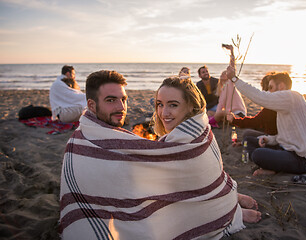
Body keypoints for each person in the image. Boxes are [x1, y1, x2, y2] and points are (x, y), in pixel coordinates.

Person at [59, 71, 260, 240]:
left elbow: (188, 173)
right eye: (111, 100)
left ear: (190, 105)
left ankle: (223, 198)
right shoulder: (79, 146)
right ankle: (223, 203)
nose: (121, 107)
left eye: (123, 99)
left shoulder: (198, 135)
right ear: (92, 106)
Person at [153, 77, 261, 227]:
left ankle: (231, 209)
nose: (164, 112)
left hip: (204, 198)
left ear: (190, 106)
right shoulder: (201, 125)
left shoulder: (191, 137)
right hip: (203, 189)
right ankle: (229, 195)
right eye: (160, 104)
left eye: (173, 105)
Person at [225, 47, 306, 176]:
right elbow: (286, 138)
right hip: (286, 150)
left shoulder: (291, 97)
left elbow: (261, 97)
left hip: (300, 160)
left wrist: (235, 79)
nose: (269, 91)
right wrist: (269, 139)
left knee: (258, 154)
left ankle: (273, 169)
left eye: (271, 87)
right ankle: (272, 166)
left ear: (281, 87)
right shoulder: (285, 106)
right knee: (250, 140)